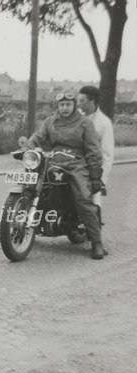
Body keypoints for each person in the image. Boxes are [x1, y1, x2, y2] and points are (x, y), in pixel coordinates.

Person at [28, 91, 105, 259]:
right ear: (58, 106)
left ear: (74, 105)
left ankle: (97, 242)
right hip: (54, 161)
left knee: (83, 198)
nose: (64, 108)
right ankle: (20, 226)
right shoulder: (50, 121)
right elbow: (37, 137)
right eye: (61, 105)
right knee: (34, 184)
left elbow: (93, 150)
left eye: (68, 104)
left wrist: (94, 175)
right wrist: (28, 146)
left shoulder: (84, 123)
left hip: (76, 163)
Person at [79, 85, 114, 255]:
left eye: (82, 101)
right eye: (78, 101)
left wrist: (101, 180)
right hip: (75, 166)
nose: (79, 104)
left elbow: (107, 154)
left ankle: (96, 243)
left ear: (92, 101)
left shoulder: (103, 123)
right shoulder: (76, 118)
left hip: (93, 170)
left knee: (94, 202)